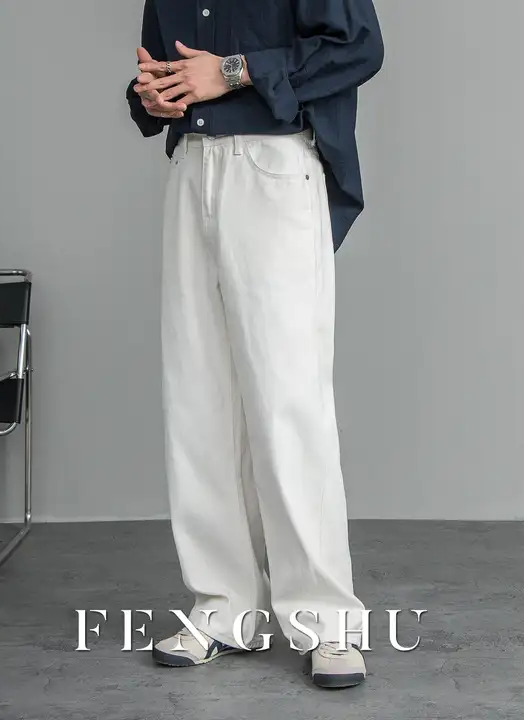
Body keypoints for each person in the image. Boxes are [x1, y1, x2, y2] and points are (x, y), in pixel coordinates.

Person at [126, 0, 384, 690]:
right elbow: (166, 70)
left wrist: (234, 72)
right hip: (192, 171)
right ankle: (224, 607)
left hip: (274, 165)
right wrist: (153, 94)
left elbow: (359, 47)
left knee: (287, 401)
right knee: (198, 400)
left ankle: (327, 621)